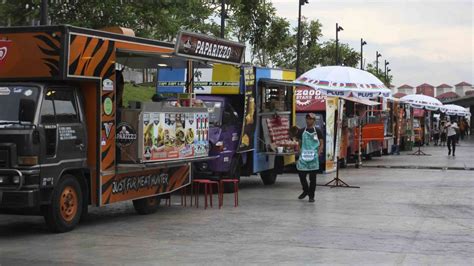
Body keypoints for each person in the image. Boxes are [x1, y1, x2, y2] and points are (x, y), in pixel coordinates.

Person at [291, 113, 324, 203]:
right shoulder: (301, 131)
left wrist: (319, 152)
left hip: (314, 157)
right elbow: (299, 143)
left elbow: (321, 143)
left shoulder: (318, 131)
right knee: (301, 175)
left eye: (310, 119)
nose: (308, 120)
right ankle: (305, 190)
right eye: (307, 118)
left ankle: (311, 196)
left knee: (312, 178)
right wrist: (299, 152)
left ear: (314, 120)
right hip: (304, 156)